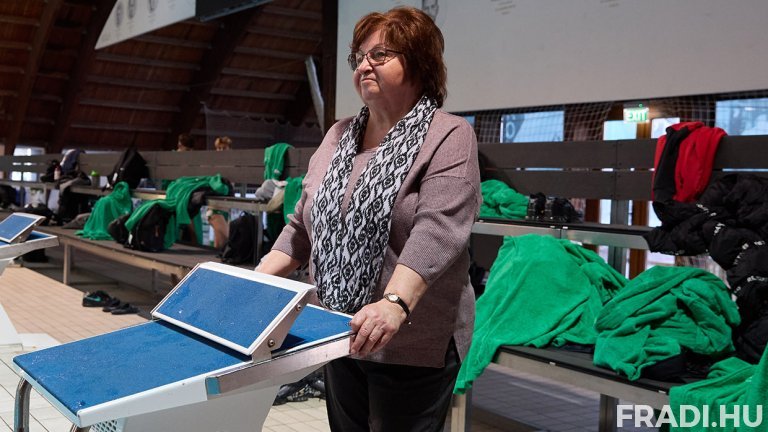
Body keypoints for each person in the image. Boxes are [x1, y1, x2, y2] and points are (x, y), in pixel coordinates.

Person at [256, 6, 480, 431]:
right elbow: (303, 226)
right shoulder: (338, 135)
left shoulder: (449, 135)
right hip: (338, 330)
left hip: (411, 340)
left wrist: (394, 304)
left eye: (379, 55)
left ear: (420, 62)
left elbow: (437, 231)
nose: (363, 65)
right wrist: (251, 284)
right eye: (358, 57)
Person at [207, 136, 232, 249]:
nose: (221, 151)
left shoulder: (232, 166)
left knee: (219, 245)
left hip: (225, 210)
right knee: (228, 240)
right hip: (215, 210)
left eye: (224, 148)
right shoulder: (213, 166)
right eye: (219, 148)